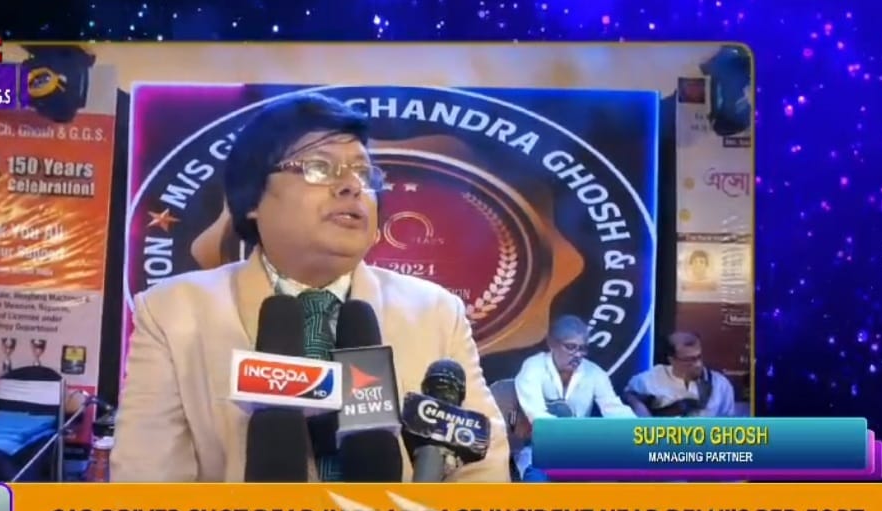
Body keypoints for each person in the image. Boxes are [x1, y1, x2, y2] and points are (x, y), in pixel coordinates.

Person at [111, 93, 510, 482]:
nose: (351, 187)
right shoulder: (173, 313)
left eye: (363, 173)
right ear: (251, 199)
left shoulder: (436, 313)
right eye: (320, 168)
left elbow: (482, 476)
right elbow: (147, 487)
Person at [513, 315, 636, 420]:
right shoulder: (534, 367)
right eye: (571, 347)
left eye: (582, 349)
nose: (578, 355)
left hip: (579, 440)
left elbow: (615, 410)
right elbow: (536, 415)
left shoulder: (595, 373)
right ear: (552, 343)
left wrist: (639, 430)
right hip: (537, 439)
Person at [622, 331, 737, 417]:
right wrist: (639, 407)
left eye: (699, 357)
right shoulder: (648, 380)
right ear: (672, 360)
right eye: (689, 360)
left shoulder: (720, 385)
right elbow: (627, 396)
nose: (698, 364)